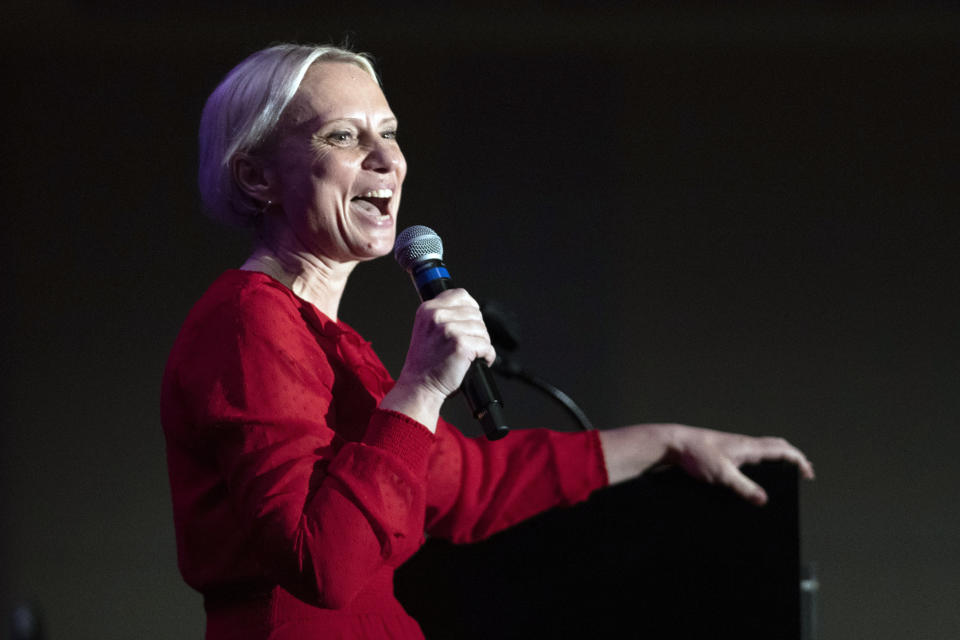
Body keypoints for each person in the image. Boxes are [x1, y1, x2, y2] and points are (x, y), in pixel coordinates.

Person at [161, 43, 814, 640]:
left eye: (389, 133)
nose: (387, 159)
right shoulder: (250, 321)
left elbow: (474, 484)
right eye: (343, 136)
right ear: (256, 176)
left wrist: (671, 441)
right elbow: (322, 564)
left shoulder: (330, 343)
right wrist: (419, 388)